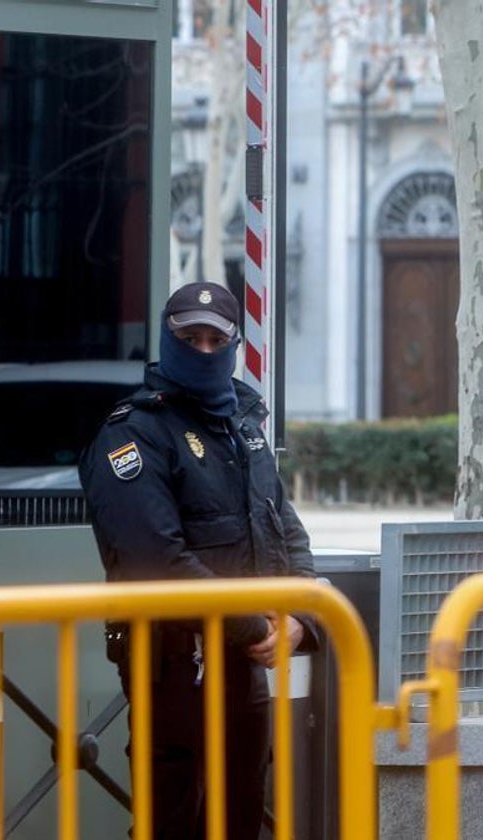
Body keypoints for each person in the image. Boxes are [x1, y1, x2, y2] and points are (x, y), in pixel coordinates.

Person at [80, 281, 318, 840]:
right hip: (174, 666)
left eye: (217, 339)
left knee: (239, 818)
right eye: (191, 337)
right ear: (168, 337)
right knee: (176, 821)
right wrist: (256, 625)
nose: (205, 350)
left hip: (244, 663)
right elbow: (154, 560)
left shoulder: (243, 428)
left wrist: (299, 620)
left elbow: (285, 529)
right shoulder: (134, 433)